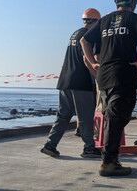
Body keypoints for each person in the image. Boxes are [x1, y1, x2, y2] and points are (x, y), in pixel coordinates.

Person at [81, 0, 137, 177]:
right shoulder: (135, 19)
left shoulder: (104, 20)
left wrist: (93, 63)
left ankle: (110, 158)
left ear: (116, 3)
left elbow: (84, 40)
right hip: (123, 74)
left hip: (104, 77)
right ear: (133, 4)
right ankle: (109, 162)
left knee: (112, 117)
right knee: (117, 117)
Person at [41, 8, 101, 159]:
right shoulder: (90, 36)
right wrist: (98, 77)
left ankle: (50, 144)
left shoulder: (75, 33)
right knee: (85, 115)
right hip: (80, 81)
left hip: (65, 80)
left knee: (63, 115)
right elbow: (88, 60)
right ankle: (89, 148)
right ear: (96, 21)